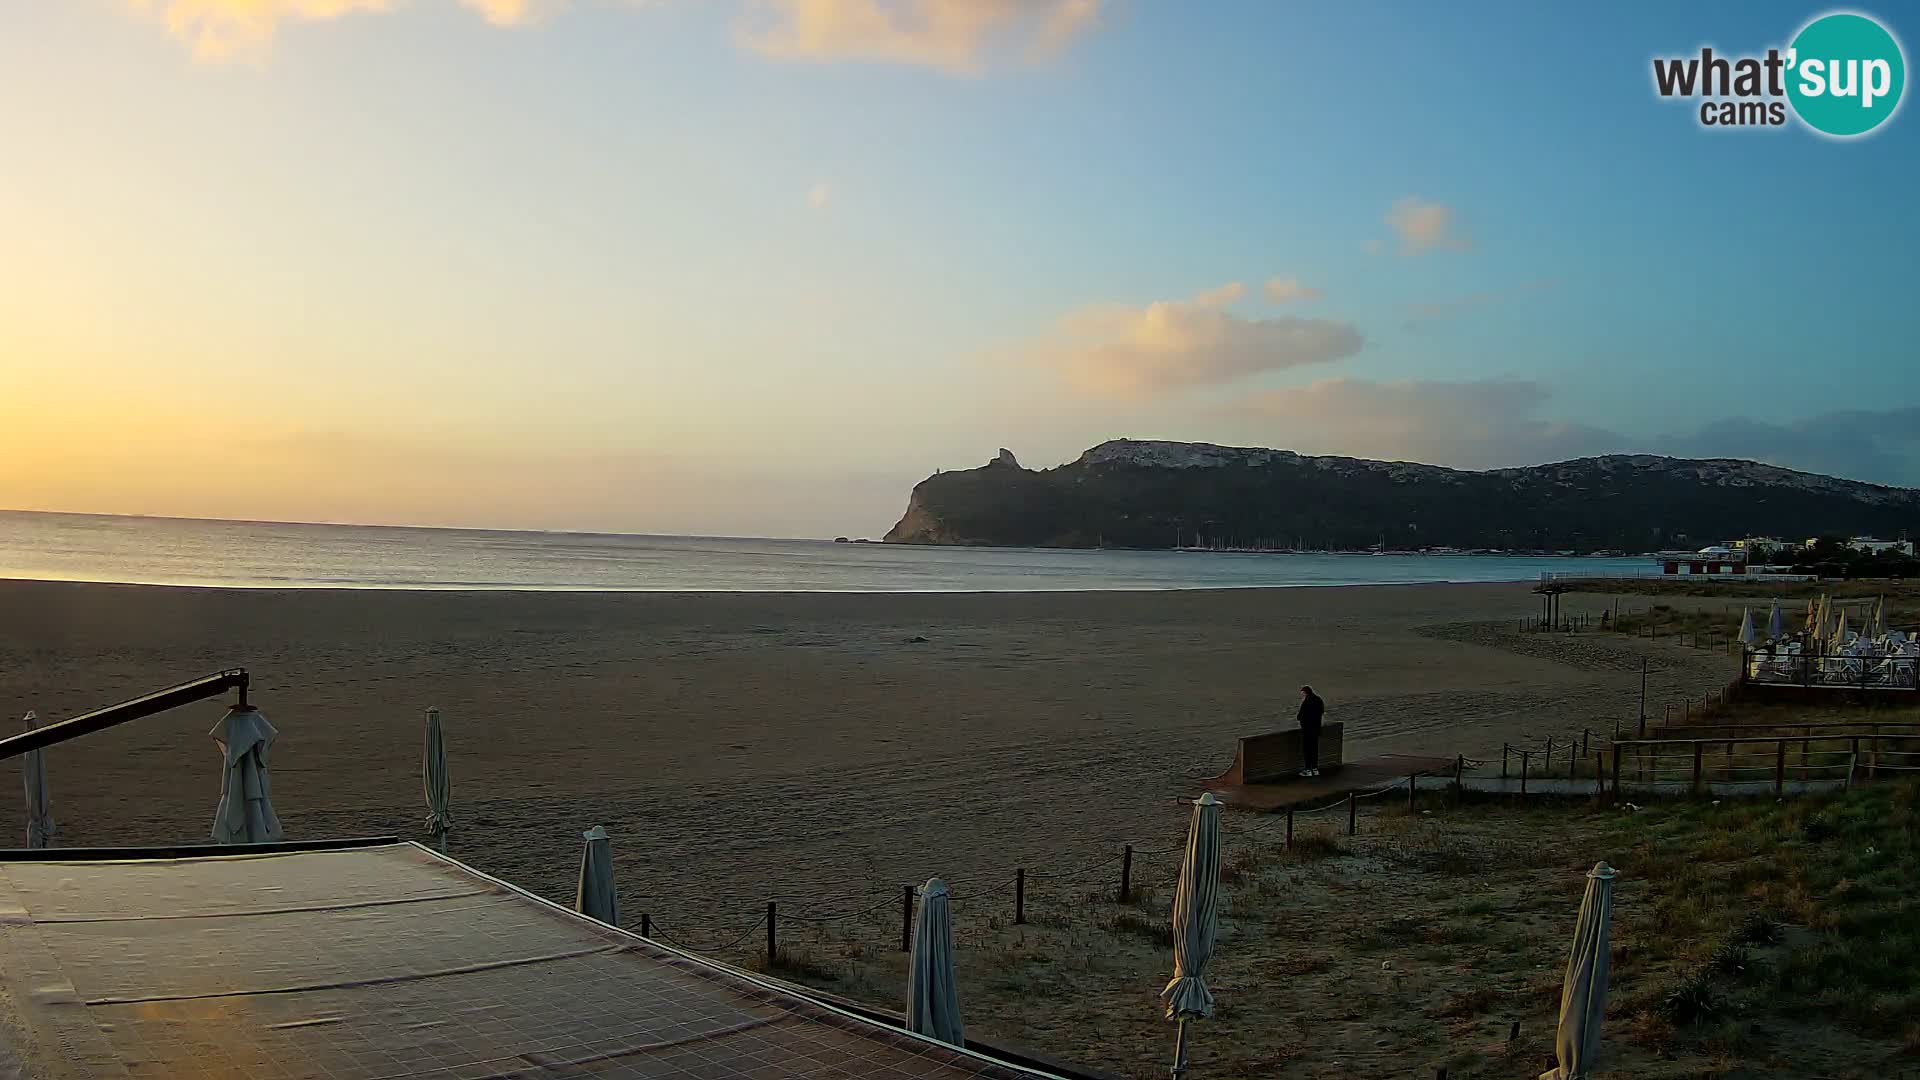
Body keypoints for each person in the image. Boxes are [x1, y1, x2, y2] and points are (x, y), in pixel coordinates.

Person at [1296, 685, 1325, 778]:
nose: (1302, 695)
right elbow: (1321, 712)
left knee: (1307, 750)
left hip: (1307, 729)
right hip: (1316, 729)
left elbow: (1300, 716)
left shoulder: (1307, 701)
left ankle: (1308, 769)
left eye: (1303, 693)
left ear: (1305, 692)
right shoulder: (1319, 700)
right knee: (1314, 749)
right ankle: (1315, 769)